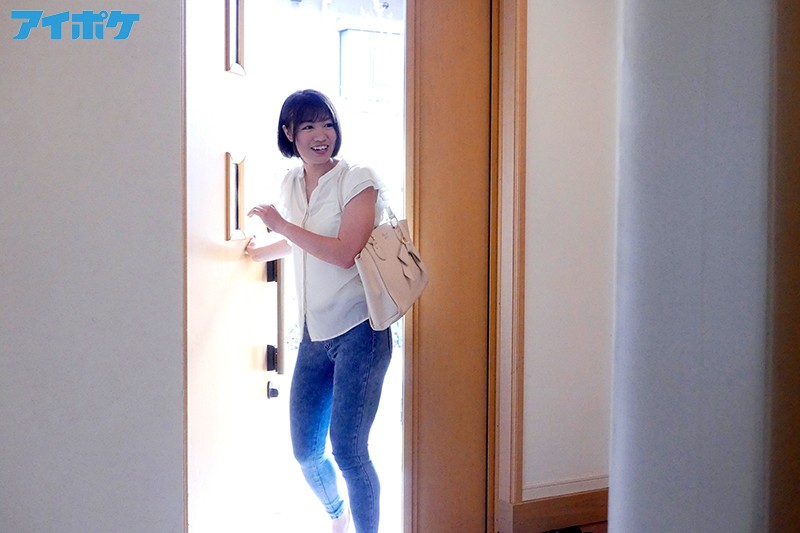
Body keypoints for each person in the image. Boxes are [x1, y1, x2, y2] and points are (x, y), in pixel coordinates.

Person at [246, 89, 393, 533]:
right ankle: (337, 514)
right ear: (289, 133)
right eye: (308, 126)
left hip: (360, 331)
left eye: (326, 124)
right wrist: (256, 251)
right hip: (314, 334)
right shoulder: (292, 183)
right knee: (307, 451)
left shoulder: (358, 180)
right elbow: (303, 239)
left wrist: (280, 225)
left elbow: (345, 251)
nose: (320, 135)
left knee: (348, 450)